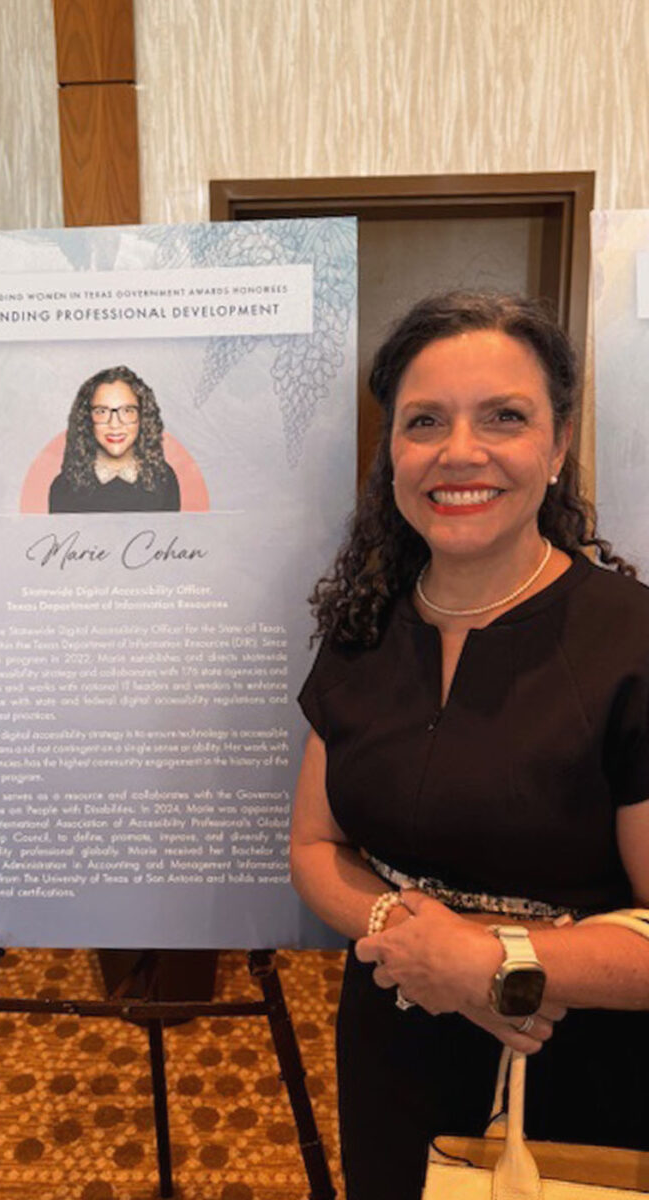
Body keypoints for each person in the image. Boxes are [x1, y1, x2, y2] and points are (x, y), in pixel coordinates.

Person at [290, 292, 649, 1200]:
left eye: (504, 417)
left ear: (559, 444)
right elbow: (315, 847)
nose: (460, 452)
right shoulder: (361, 628)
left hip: (579, 1054)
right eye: (424, 422)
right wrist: (410, 938)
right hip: (395, 1034)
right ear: (393, 453)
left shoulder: (633, 643)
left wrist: (497, 965)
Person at [49, 365, 181, 513]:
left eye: (127, 411)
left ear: (143, 416)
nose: (114, 424)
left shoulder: (165, 480)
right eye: (102, 411)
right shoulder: (63, 487)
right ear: (87, 418)